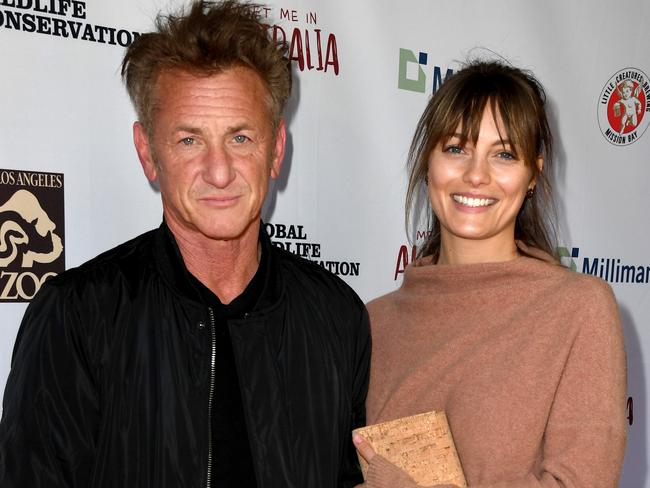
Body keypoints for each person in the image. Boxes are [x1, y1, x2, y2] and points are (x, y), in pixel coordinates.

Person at [0, 1, 370, 487]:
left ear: (276, 149)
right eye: (189, 141)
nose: (219, 173)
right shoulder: (77, 317)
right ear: (148, 153)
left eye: (240, 138)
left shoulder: (336, 315)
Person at [353, 60, 627, 487]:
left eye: (503, 154)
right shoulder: (371, 322)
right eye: (457, 148)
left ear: (532, 174)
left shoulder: (578, 309)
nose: (476, 175)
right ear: (429, 163)